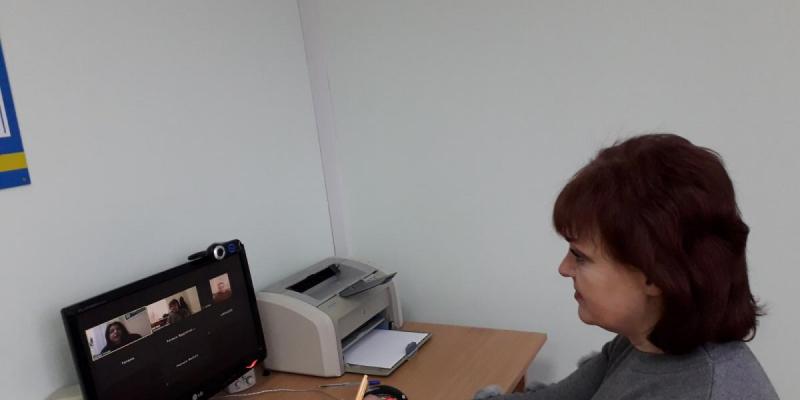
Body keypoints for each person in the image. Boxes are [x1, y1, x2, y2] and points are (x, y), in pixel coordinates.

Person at [475, 134, 778, 399]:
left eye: (580, 256)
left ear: (655, 275)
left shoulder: (708, 391)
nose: (564, 269)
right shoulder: (641, 344)